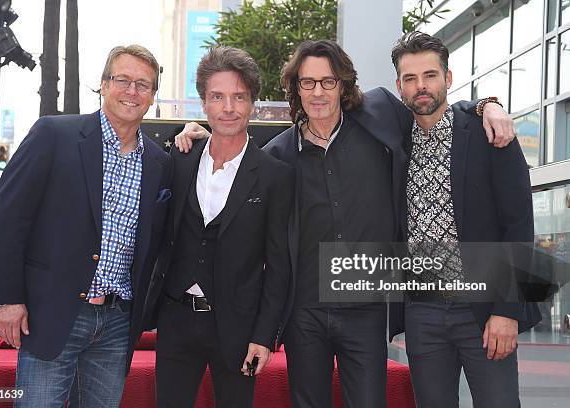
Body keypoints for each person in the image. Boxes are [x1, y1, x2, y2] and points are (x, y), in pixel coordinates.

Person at [175, 39, 516, 408]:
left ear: (343, 85)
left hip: (366, 309)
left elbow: (432, 107)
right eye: (308, 82)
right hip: (304, 313)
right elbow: (238, 158)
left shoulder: (381, 115)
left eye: (328, 81)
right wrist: (202, 138)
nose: (318, 91)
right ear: (296, 89)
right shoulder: (279, 155)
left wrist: (487, 105)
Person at [0, 44, 172, 407]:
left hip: (118, 321)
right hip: (52, 313)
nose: (132, 92)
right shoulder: (54, 135)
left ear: (152, 96)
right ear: (103, 84)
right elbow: (9, 217)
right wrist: (7, 299)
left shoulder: (158, 161)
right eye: (123, 80)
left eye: (143, 85)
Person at [393, 31, 541, 408]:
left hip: (484, 311)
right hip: (422, 311)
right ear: (399, 85)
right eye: (410, 79)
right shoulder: (394, 140)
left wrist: (507, 311)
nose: (420, 86)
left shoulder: (488, 132)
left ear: (448, 78)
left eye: (429, 75)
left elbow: (519, 226)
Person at [143, 46, 293, 408]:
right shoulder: (178, 159)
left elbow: (279, 264)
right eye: (218, 97)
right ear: (204, 104)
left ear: (252, 104)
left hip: (238, 326)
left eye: (239, 97)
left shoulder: (275, 175)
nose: (228, 107)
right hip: (176, 318)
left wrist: (264, 335)